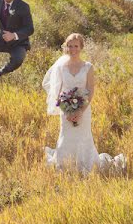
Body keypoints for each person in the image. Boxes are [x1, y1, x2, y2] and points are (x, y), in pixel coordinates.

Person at [43, 33, 126, 175]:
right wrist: (66, 110)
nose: (72, 49)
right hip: (66, 111)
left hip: (84, 109)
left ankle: (87, 167)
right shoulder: (61, 68)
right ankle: (65, 166)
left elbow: (90, 90)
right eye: (70, 46)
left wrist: (80, 111)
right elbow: (57, 92)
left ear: (81, 47)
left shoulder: (88, 67)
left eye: (76, 46)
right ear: (66, 47)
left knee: (84, 137)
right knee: (66, 137)